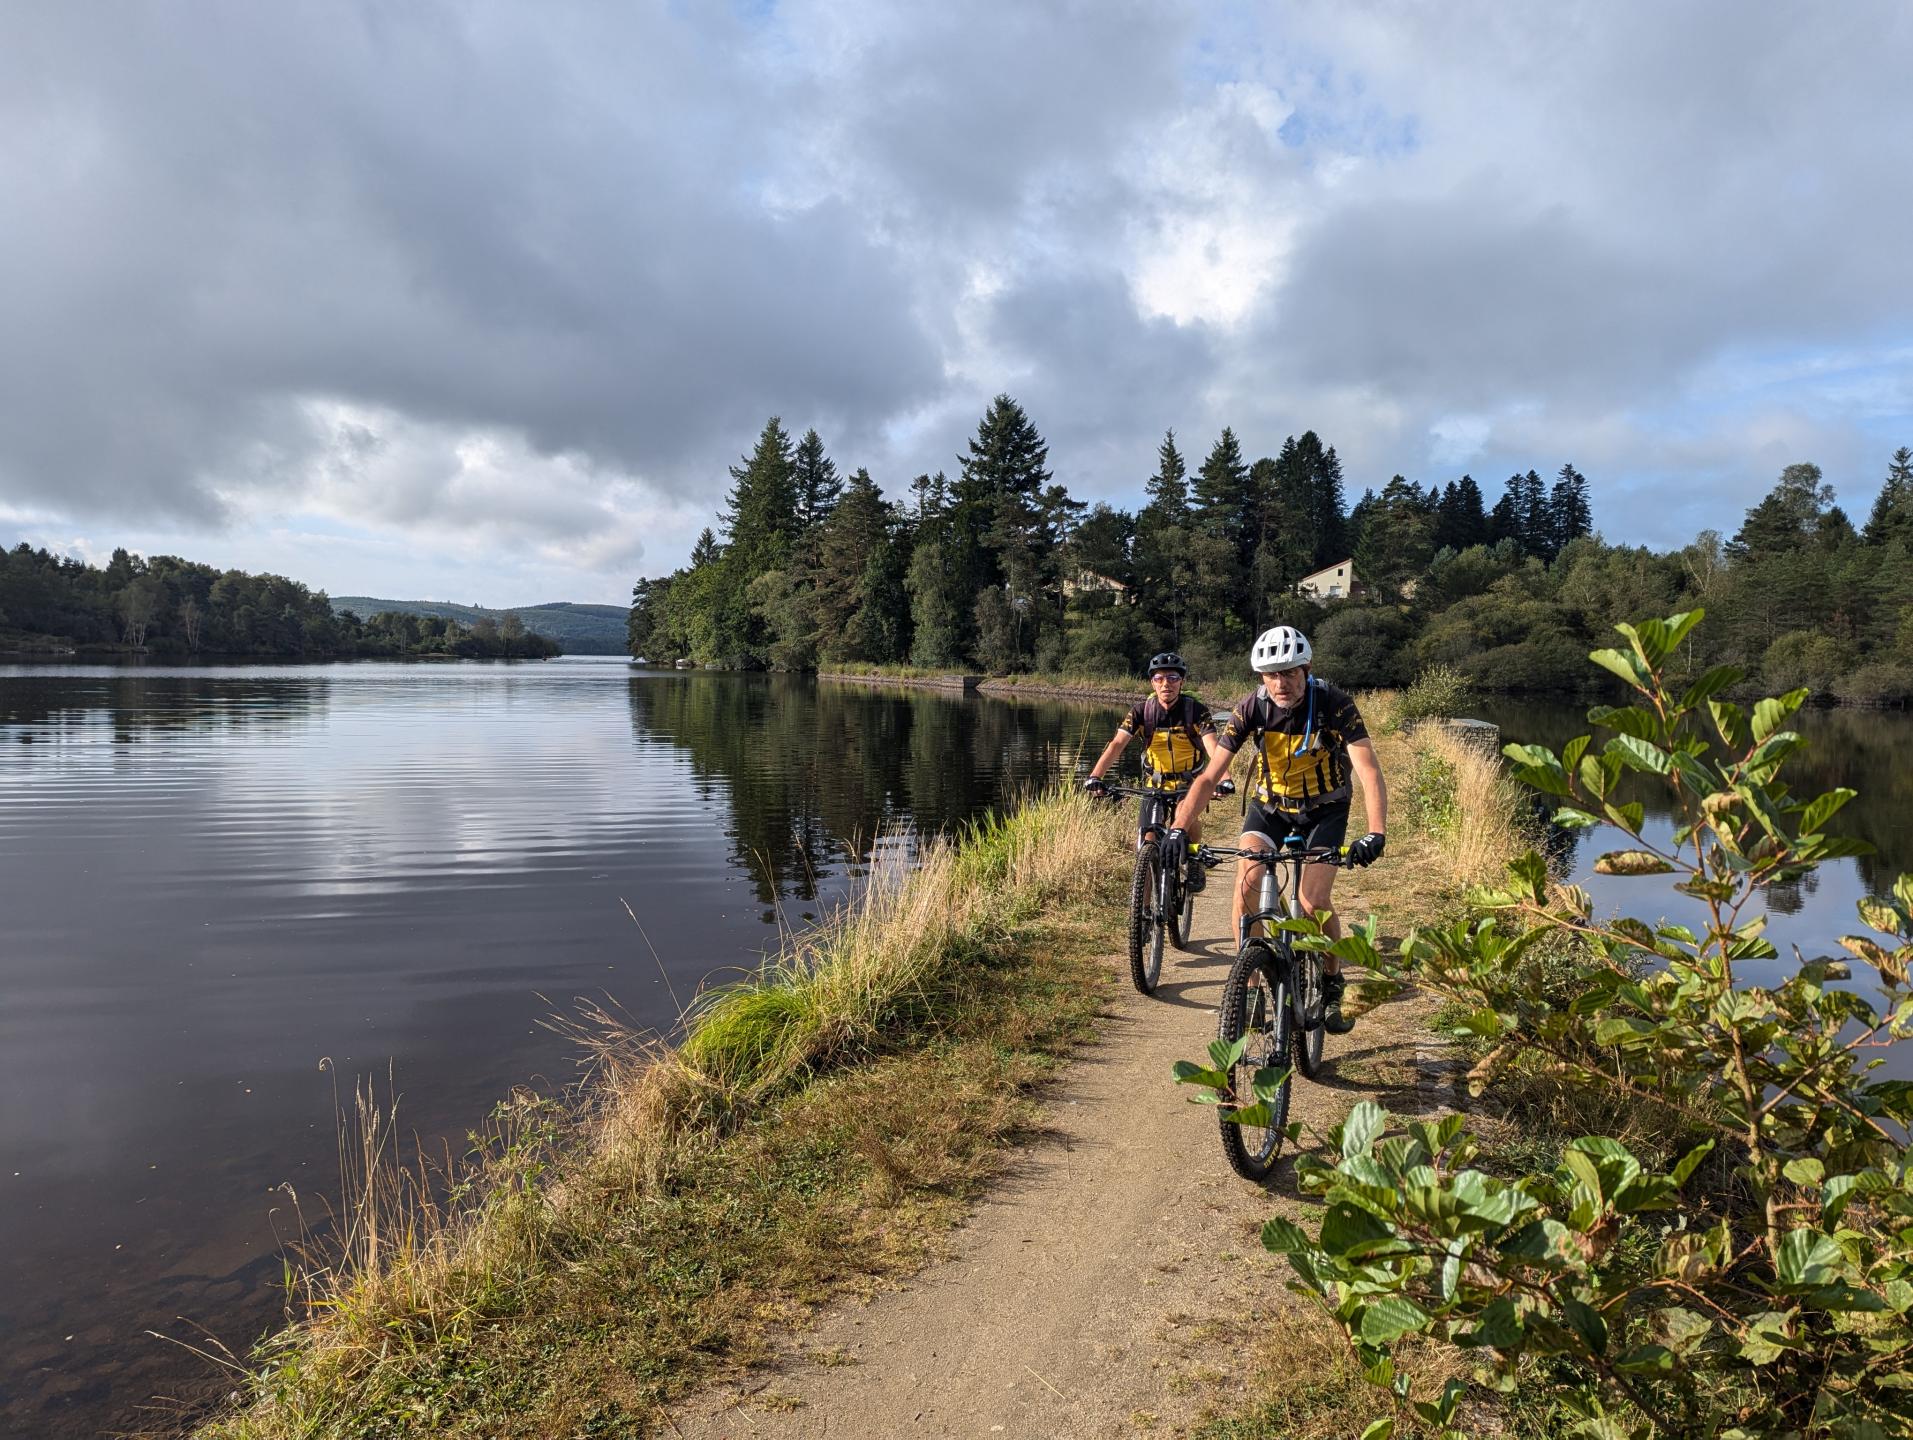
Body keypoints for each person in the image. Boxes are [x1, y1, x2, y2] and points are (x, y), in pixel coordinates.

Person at [1167, 624, 1386, 1034]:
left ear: (1305, 669)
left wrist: (1375, 831)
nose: (1280, 682)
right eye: (1271, 674)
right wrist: (1179, 828)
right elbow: (1210, 775)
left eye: (1288, 672)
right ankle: (1248, 989)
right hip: (1270, 806)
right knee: (1245, 886)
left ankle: (1333, 978)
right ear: (1261, 677)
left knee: (1311, 901)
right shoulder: (1252, 707)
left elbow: (1368, 769)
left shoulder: (1334, 704)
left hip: (1326, 809)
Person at [1083, 652, 1223, 889]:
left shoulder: (1195, 711)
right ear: (1152, 683)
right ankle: (1144, 913)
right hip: (1155, 784)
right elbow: (1117, 744)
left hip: (1189, 783)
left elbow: (1213, 746)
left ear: (1182, 682)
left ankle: (1194, 861)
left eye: (1172, 678)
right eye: (1159, 678)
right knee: (1148, 842)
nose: (1166, 684)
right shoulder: (1142, 712)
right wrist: (1095, 776)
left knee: (1185, 816)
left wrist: (1222, 779)